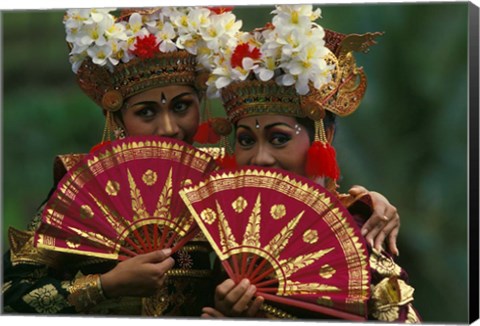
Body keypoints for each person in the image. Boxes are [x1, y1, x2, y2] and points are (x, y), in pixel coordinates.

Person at [3, 6, 399, 316]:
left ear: (202, 106)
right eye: (146, 112)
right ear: (116, 116)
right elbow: (10, 294)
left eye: (182, 107)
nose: (169, 128)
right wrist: (105, 286)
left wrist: (364, 205)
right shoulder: (82, 184)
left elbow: (303, 209)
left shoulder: (225, 181)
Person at [200, 5, 421, 322]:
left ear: (324, 135)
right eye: (246, 140)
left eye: (279, 139)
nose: (259, 158)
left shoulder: (362, 234)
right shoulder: (231, 243)